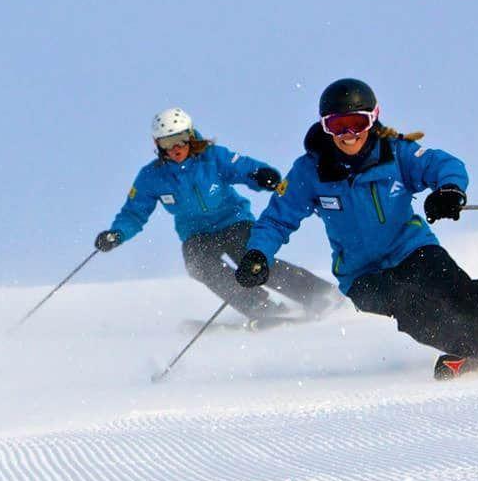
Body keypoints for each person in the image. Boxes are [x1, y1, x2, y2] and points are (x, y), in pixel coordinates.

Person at [236, 78, 478, 378]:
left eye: (356, 124)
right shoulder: (309, 171)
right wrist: (257, 253)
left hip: (412, 248)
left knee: (461, 294)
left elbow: (442, 164)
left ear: (372, 120)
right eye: (337, 126)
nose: (347, 134)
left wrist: (448, 190)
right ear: (325, 127)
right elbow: (277, 218)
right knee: (413, 311)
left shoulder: (395, 153)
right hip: (361, 274)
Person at [93, 107, 338, 324]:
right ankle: (261, 307)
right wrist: (117, 234)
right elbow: (134, 213)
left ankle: (319, 295)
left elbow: (243, 168)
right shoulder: (152, 177)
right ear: (157, 144)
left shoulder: (212, 157)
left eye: (180, 140)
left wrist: (262, 175)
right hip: (195, 233)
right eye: (167, 143)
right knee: (198, 265)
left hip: (233, 221)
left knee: (250, 258)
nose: (176, 148)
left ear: (190, 136)